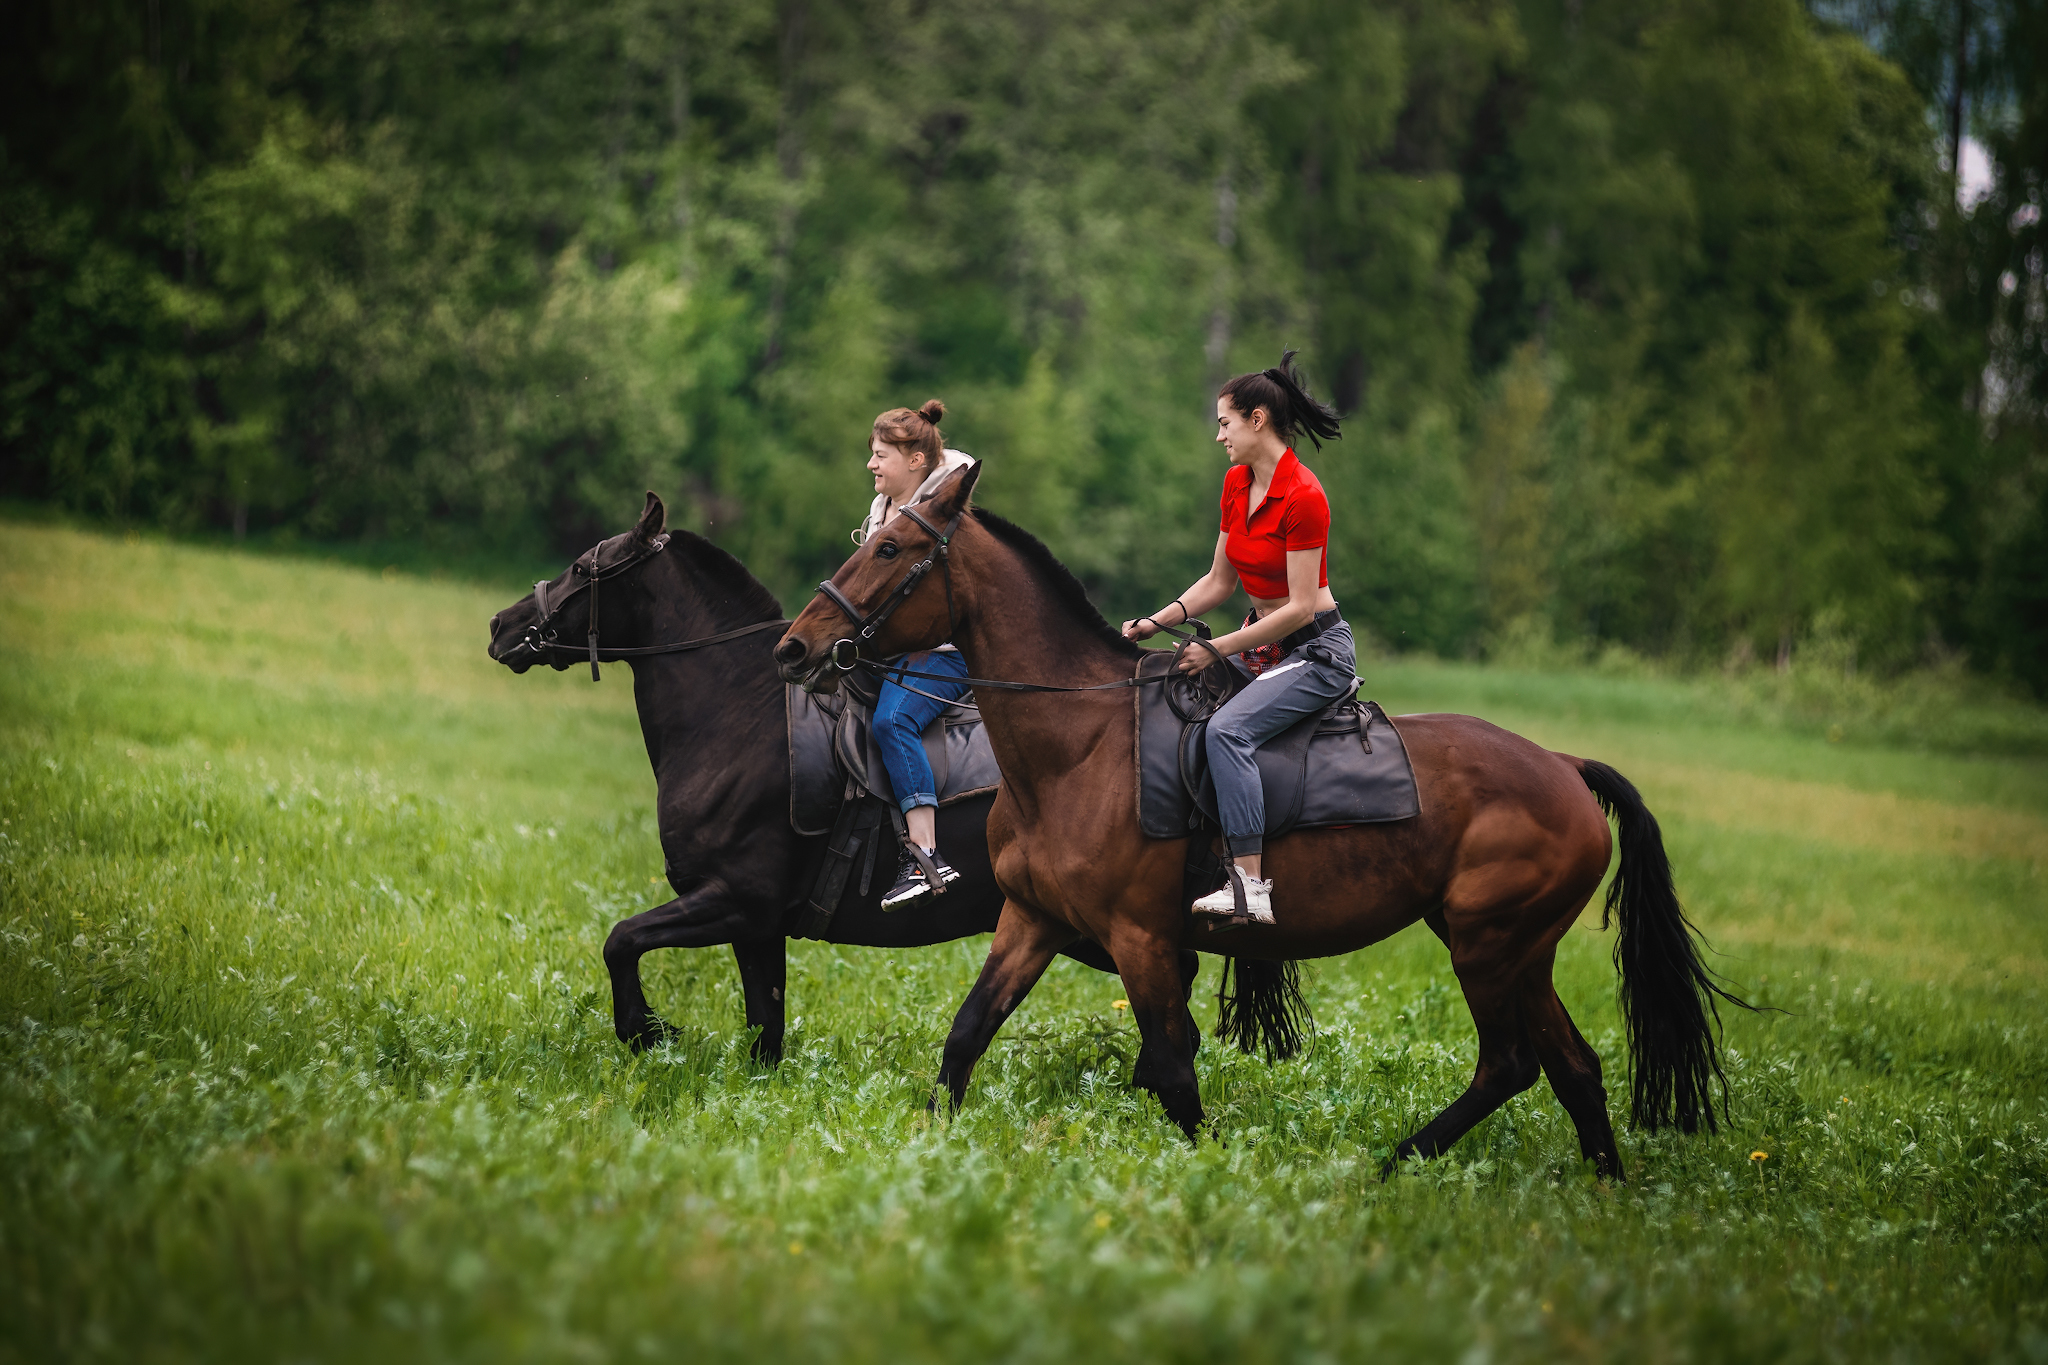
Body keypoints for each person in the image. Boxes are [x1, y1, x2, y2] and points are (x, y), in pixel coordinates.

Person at [1121, 351, 1353, 925]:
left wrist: (1217, 648)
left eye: (1225, 422)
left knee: (1227, 732)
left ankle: (1251, 887)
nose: (1218, 435)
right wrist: (1156, 620)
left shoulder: (1304, 496)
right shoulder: (1236, 483)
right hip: (1258, 644)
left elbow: (1300, 608)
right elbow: (1220, 581)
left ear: (1256, 420)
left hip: (1315, 652)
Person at [857, 399, 975, 908]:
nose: (871, 464)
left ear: (917, 461)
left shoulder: (942, 514)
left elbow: (960, 463)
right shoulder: (880, 510)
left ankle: (926, 856)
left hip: (946, 654)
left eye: (881, 454)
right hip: (894, 650)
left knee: (892, 722)